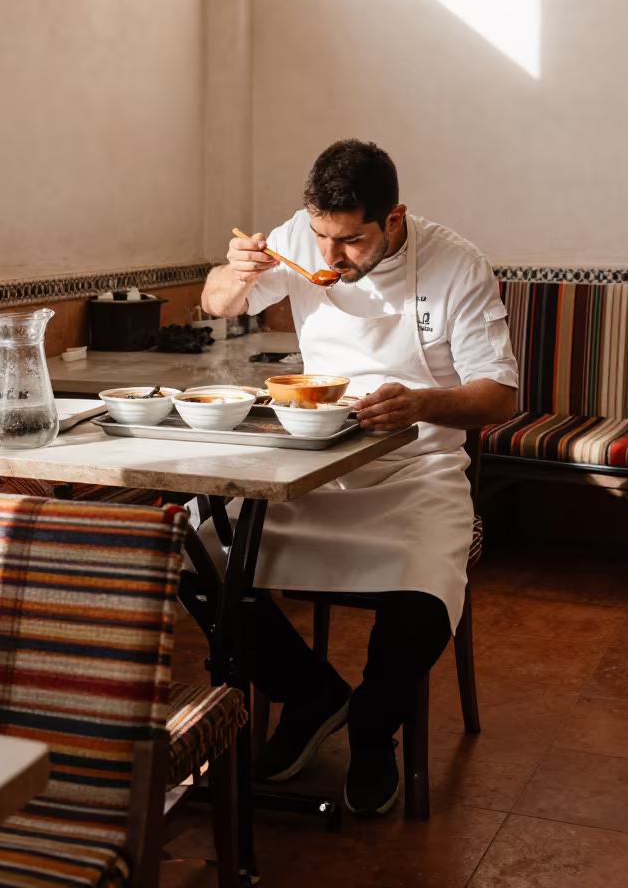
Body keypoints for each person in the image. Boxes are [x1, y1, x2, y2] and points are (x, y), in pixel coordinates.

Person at [201, 140, 518, 815]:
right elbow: (218, 303)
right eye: (321, 237)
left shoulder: (456, 264)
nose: (330, 256)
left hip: (419, 469)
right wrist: (234, 273)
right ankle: (310, 696)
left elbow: (500, 396)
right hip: (313, 465)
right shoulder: (300, 236)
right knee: (197, 556)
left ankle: (375, 730)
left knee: (422, 596)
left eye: (350, 241)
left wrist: (421, 403)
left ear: (394, 219)